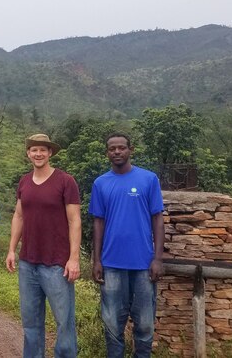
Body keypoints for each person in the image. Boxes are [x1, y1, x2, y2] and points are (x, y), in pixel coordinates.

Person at [89, 132, 164, 358]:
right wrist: (97, 260)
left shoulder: (148, 179)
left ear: (130, 149)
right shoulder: (100, 183)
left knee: (144, 324)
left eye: (121, 147)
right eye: (112, 149)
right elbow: (98, 222)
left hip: (143, 264)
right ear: (107, 153)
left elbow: (157, 219)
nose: (117, 152)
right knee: (112, 324)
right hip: (111, 264)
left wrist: (158, 258)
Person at [6, 134, 81, 358]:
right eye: (34, 150)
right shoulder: (24, 181)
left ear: (50, 153)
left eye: (42, 150)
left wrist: (74, 258)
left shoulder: (65, 181)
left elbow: (74, 220)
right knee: (31, 324)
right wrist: (11, 249)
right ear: (28, 153)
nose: (38, 154)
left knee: (64, 322)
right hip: (28, 262)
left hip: (57, 263)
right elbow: (18, 216)